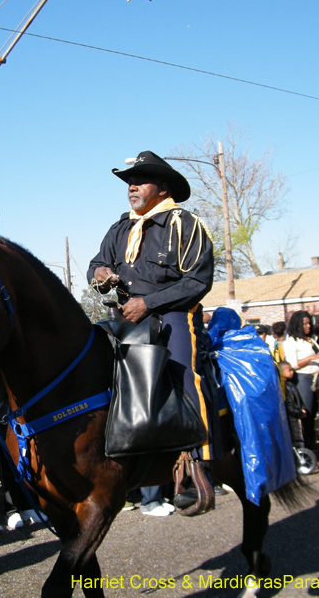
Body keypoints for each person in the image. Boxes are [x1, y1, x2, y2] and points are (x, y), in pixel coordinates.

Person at [87, 150, 214, 512]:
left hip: (173, 312)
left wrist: (150, 302)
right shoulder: (119, 228)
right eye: (129, 181)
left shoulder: (185, 223)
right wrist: (98, 275)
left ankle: (197, 461)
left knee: (185, 371)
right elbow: (98, 262)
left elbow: (198, 280)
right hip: (125, 314)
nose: (132, 186)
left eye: (139, 180)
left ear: (162, 186)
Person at [282, 311, 319, 451]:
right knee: (307, 415)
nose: (308, 326)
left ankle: (318, 445)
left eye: (309, 323)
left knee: (318, 415)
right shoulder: (290, 342)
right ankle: (308, 447)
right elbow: (292, 364)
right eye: (305, 324)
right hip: (304, 380)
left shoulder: (310, 340)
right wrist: (312, 358)